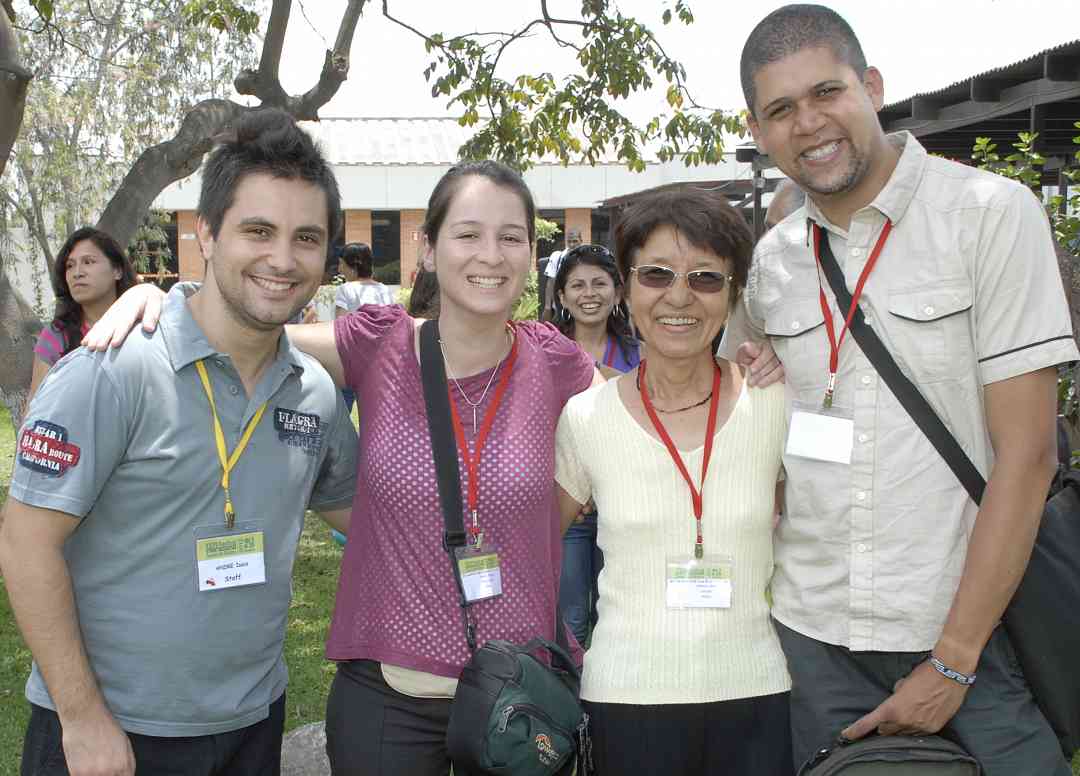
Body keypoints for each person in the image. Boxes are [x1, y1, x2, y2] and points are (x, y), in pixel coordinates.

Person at [85, 159, 600, 776]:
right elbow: (247, 327)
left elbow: (647, 413)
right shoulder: (379, 344)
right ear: (428, 248)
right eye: (467, 234)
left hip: (521, 694)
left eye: (510, 236)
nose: (490, 254)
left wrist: (744, 361)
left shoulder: (556, 363)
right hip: (391, 696)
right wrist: (166, 298)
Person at [722, 5, 1078, 774]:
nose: (809, 123)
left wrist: (953, 659)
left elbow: (1028, 456)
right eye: (781, 110)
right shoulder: (772, 261)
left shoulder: (987, 217)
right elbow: (746, 423)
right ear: (757, 128)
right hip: (815, 642)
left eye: (827, 92)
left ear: (872, 85)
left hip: (974, 632)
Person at [0, 108, 358, 776]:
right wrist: (82, 720)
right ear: (207, 234)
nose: (283, 259)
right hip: (114, 734)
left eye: (306, 238)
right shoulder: (111, 370)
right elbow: (25, 541)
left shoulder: (312, 393)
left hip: (252, 722)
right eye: (258, 230)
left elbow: (363, 517)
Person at [555, 187, 793, 775]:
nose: (679, 297)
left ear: (734, 292)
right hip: (627, 697)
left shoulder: (776, 402)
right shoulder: (586, 417)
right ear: (628, 290)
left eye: (706, 278)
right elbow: (532, 546)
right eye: (657, 274)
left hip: (756, 689)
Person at [550, 243, 640, 646]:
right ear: (562, 295)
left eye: (600, 283)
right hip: (564, 503)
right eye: (578, 285)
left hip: (622, 504)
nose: (589, 293)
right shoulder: (542, 349)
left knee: (617, 616)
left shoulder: (641, 354)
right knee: (570, 621)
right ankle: (567, 706)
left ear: (618, 292)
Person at [27, 226, 139, 401]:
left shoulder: (144, 325)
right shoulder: (56, 336)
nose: (77, 273)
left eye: (88, 262)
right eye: (70, 266)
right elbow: (35, 409)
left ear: (117, 270)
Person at [334, 242, 396, 314]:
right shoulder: (385, 289)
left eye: (341, 263)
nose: (339, 270)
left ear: (354, 266)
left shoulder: (345, 290)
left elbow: (341, 323)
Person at [542, 227, 583, 320]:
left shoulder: (587, 259)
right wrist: (547, 307)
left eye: (575, 241)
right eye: (569, 241)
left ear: (581, 241)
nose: (572, 244)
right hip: (559, 309)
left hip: (580, 308)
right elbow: (551, 283)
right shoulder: (557, 257)